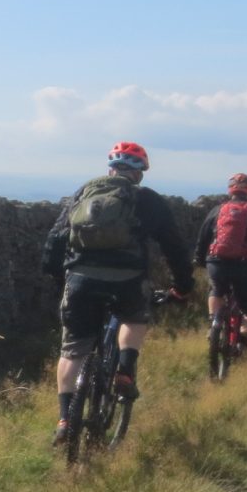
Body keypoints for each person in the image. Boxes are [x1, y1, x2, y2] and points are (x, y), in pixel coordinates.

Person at [42, 141, 194, 445]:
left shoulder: (84, 193)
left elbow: (57, 239)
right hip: (128, 279)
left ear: (110, 167)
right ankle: (125, 369)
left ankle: (63, 418)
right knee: (134, 317)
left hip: (81, 279)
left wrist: (60, 278)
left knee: (72, 350)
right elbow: (174, 247)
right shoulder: (148, 200)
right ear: (139, 173)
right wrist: (183, 286)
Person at [197, 173, 247, 343]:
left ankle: (213, 324)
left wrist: (200, 259)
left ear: (230, 190)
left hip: (216, 261)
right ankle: (246, 328)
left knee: (216, 289)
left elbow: (203, 236)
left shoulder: (217, 209)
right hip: (243, 263)